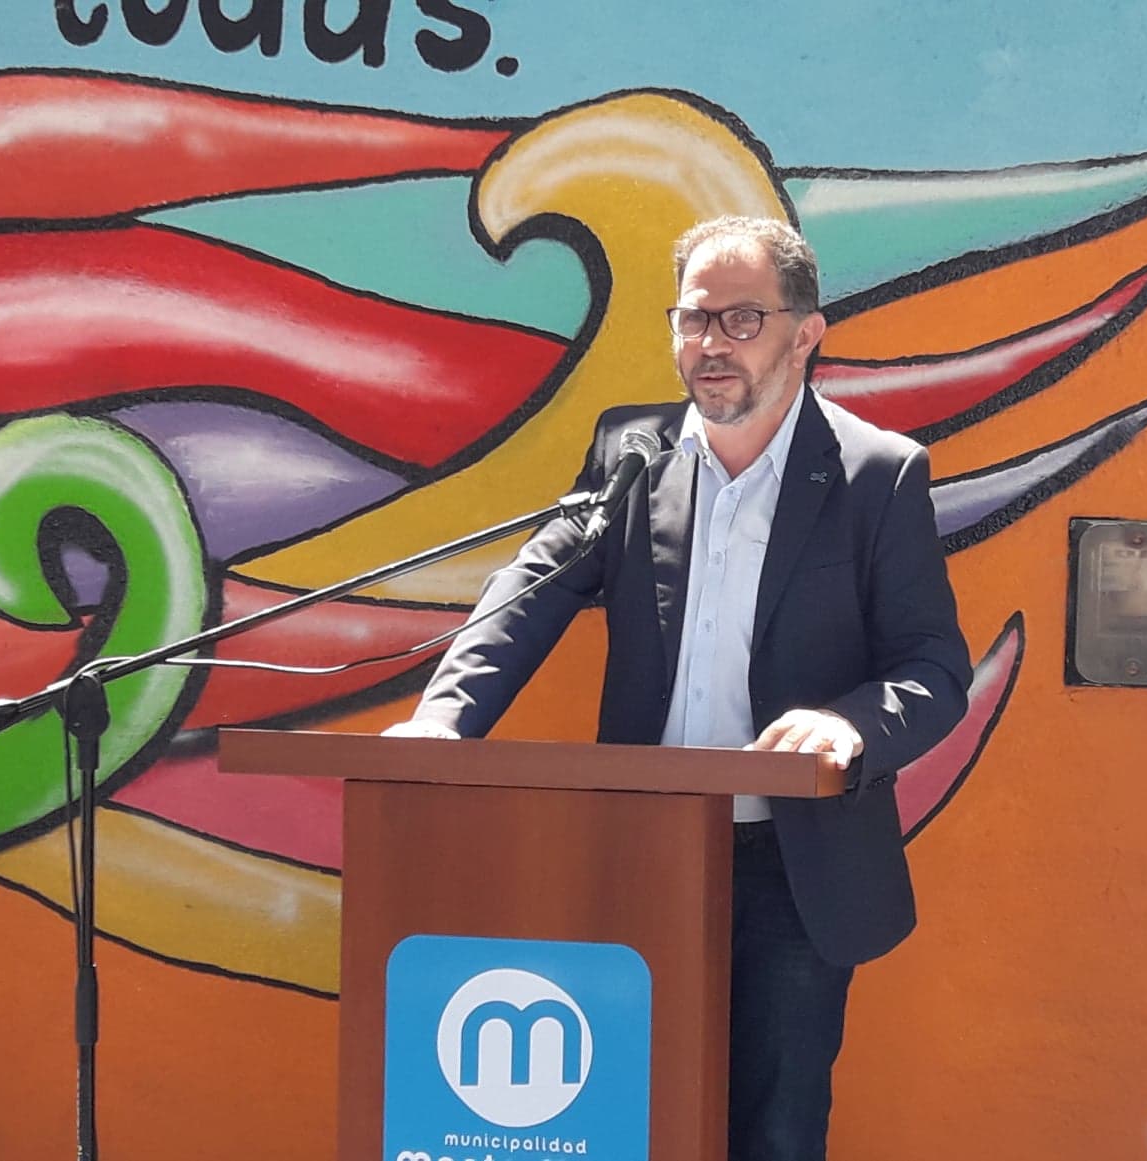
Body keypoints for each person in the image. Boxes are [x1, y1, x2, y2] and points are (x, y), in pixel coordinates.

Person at [386, 215, 972, 1160]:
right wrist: (444, 718)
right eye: (694, 319)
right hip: (642, 851)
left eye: (742, 320)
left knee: (772, 1131)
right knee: (623, 1122)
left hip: (792, 868)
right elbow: (531, 590)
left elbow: (934, 667)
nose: (711, 344)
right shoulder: (632, 454)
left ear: (805, 334)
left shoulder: (875, 475)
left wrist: (849, 726)